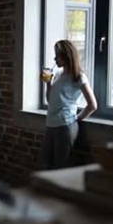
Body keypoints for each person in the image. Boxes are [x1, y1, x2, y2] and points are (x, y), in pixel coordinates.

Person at [40, 40, 98, 169]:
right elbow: (50, 100)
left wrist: (76, 118)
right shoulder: (59, 74)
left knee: (60, 167)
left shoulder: (79, 77)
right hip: (51, 124)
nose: (55, 58)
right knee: (46, 166)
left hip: (64, 127)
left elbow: (92, 105)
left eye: (57, 55)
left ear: (67, 56)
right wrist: (48, 83)